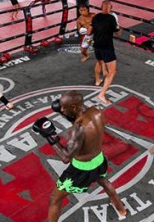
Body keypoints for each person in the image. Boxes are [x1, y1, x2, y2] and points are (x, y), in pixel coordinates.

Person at [32, 91, 127, 222]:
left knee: (55, 198)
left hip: (82, 169)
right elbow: (80, 120)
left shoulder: (78, 128)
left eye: (64, 108)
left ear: (74, 107)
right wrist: (61, 112)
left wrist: (50, 136)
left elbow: (66, 157)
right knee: (104, 181)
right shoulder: (96, 111)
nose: (62, 110)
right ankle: (121, 209)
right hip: (99, 160)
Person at [89, 0, 121, 105]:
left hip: (96, 45)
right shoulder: (112, 18)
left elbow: (89, 32)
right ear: (111, 8)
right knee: (112, 72)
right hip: (107, 47)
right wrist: (118, 26)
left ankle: (97, 80)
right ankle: (101, 94)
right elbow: (118, 35)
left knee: (99, 62)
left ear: (101, 7)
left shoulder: (95, 17)